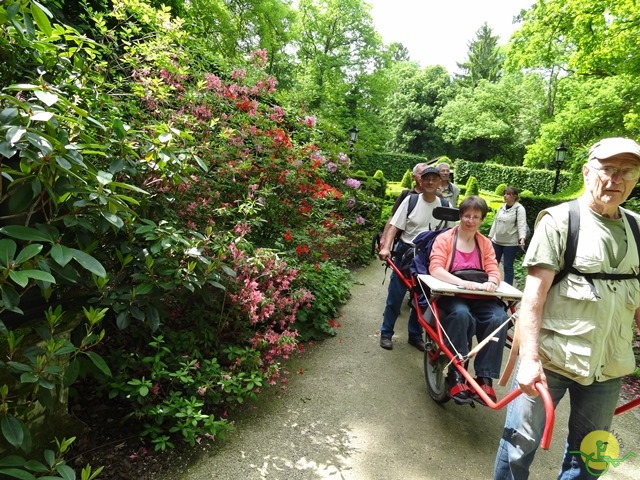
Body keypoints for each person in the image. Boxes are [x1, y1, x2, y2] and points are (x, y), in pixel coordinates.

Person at [494, 137, 640, 480]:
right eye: (607, 169)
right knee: (519, 447)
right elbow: (533, 298)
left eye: (628, 171)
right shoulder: (560, 221)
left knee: (590, 457)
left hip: (609, 365)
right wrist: (528, 360)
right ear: (588, 172)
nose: (615, 179)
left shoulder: (638, 228)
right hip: (550, 361)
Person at [428, 195, 508, 404]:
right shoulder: (445, 239)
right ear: (460, 216)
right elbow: (435, 268)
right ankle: (456, 372)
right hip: (452, 294)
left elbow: (493, 269)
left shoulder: (485, 243)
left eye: (476, 217)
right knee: (461, 314)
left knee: (499, 317)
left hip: (479, 295)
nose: (470, 220)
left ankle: (484, 377)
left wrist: (492, 281)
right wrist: (460, 283)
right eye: (466, 216)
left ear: (482, 220)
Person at [377, 167, 454, 351]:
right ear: (420, 180)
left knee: (423, 299)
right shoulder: (410, 201)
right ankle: (386, 333)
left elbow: (452, 236)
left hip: (431, 257)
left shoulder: (446, 207)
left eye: (434, 179)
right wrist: (387, 246)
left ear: (439, 182)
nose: (429, 182)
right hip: (406, 253)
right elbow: (394, 227)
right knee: (395, 297)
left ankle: (415, 335)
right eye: (426, 178)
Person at [488, 186, 527, 285]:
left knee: (507, 266)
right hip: (496, 241)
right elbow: (495, 222)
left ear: (514, 196)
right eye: (505, 194)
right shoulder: (501, 207)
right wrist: (490, 236)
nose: (505, 196)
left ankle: (508, 288)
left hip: (510, 243)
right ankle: (490, 283)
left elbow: (521, 224)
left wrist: (522, 238)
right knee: (492, 264)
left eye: (508, 194)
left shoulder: (519, 209)